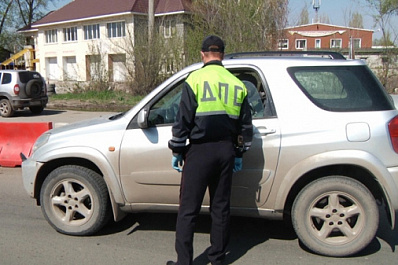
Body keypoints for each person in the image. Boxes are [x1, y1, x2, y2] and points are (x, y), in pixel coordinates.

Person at [167, 35, 253, 265]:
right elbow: (245, 125)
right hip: (225, 151)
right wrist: (239, 153)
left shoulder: (194, 79)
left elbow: (183, 119)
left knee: (188, 210)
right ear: (222, 55)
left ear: (203, 54)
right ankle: (217, 258)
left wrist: (177, 150)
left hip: (199, 152)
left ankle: (184, 262)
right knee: (221, 208)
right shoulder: (237, 84)